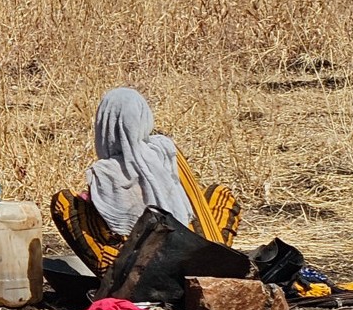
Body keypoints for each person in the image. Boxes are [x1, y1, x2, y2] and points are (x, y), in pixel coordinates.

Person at [50, 87, 241, 276]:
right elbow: (193, 201)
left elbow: (111, 227)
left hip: (140, 273)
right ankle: (213, 248)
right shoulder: (166, 150)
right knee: (220, 194)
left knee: (63, 201)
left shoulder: (104, 172)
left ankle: (117, 274)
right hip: (200, 259)